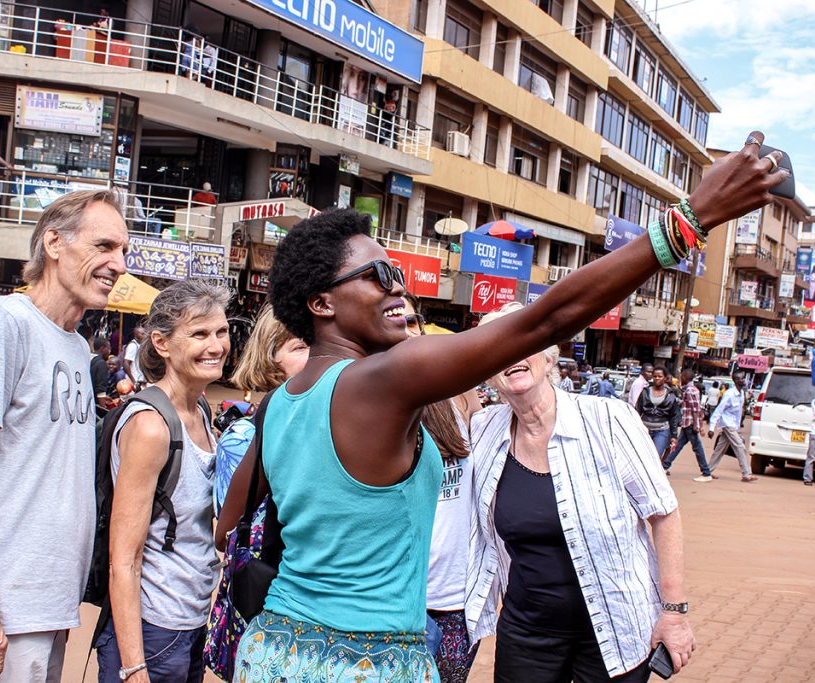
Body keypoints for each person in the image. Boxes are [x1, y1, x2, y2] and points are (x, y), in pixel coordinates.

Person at [215, 134, 781, 680]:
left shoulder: (279, 404)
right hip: (364, 661)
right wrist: (691, 219)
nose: (398, 289)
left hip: (273, 649)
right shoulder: (381, 380)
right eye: (379, 276)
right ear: (321, 304)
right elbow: (547, 320)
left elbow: (227, 528)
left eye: (397, 274)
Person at [0, 189, 128, 682]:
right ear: (54, 243)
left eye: (123, 250)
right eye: (103, 246)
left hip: (43, 612)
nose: (119, 264)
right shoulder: (5, 322)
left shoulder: (77, 347)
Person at [467, 303, 694, 683]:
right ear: (489, 373)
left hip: (616, 628)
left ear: (548, 357)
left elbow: (664, 514)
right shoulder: (484, 430)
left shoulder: (608, 419)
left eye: (523, 343)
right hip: (527, 631)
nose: (512, 357)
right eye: (498, 350)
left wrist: (673, 613)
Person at [95, 279, 231, 683]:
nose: (216, 346)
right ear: (161, 343)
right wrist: (134, 667)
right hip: (154, 628)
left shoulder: (200, 409)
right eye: (199, 334)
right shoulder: (151, 427)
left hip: (190, 620)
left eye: (221, 332)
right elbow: (125, 558)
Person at [403, 294, 482, 683]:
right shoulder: (366, 403)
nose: (405, 330)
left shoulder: (458, 392)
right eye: (392, 320)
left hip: (454, 598)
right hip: (394, 599)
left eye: (411, 321)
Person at [212, 304, 309, 517]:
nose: (317, 356)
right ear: (269, 357)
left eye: (321, 344)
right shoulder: (244, 439)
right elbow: (233, 528)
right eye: (300, 346)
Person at [706, 371, 757, 483]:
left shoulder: (741, 393)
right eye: (741, 378)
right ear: (736, 381)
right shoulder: (729, 394)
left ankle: (707, 471)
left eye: (743, 378)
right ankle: (746, 474)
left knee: (720, 449)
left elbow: (739, 413)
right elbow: (719, 410)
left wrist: (738, 427)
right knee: (740, 446)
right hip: (727, 424)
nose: (743, 380)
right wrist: (711, 428)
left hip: (733, 425)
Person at [664, 369, 713, 482]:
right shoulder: (690, 389)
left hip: (690, 423)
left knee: (697, 448)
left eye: (682, 376)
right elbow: (689, 405)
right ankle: (665, 466)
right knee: (678, 445)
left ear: (686, 377)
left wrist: (696, 425)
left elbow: (695, 409)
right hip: (687, 423)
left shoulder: (690, 390)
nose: (680, 378)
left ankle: (706, 472)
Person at [636, 366, 681, 460]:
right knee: (641, 457)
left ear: (665, 378)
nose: (657, 378)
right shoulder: (645, 392)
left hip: (661, 430)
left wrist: (674, 436)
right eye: (655, 376)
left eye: (660, 376)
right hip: (644, 430)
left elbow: (673, 417)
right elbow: (637, 410)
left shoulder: (670, 395)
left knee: (655, 457)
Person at [90, 336, 113, 409]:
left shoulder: (88, 358)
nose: (109, 351)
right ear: (102, 348)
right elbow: (100, 388)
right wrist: (103, 407)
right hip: (94, 404)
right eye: (108, 348)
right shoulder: (101, 363)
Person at [124, 325, 148, 390]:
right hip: (135, 381)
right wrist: (133, 381)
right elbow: (126, 363)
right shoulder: (133, 346)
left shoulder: (140, 345)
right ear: (136, 335)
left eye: (145, 333)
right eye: (142, 334)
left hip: (140, 380)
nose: (145, 335)